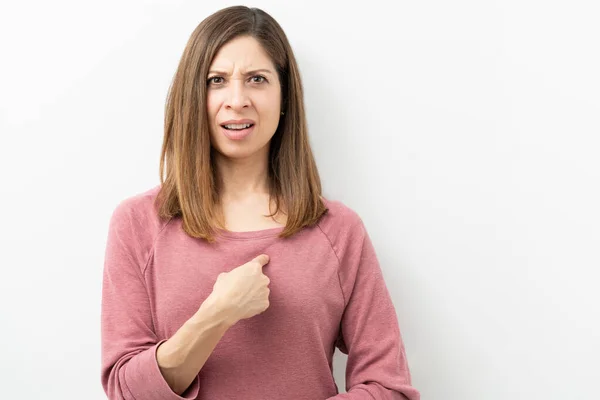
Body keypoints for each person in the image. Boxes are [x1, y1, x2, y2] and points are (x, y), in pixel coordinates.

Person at [100, 5, 420, 400]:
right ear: (192, 97)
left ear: (284, 96)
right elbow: (124, 392)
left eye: (256, 79)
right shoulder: (137, 224)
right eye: (216, 80)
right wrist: (216, 315)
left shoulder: (339, 230)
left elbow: (389, 387)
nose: (237, 99)